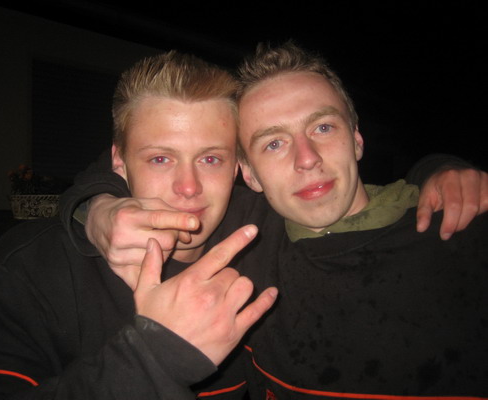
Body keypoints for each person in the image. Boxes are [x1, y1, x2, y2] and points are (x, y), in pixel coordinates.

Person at [68, 42, 488, 399]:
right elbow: (137, 150)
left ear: (357, 138)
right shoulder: (246, 243)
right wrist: (97, 204)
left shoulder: (462, 229)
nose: (307, 159)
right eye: (273, 143)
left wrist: (441, 166)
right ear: (248, 174)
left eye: (323, 127)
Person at [0, 51, 277, 399]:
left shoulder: (267, 238)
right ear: (118, 162)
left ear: (235, 167)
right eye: (160, 159)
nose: (188, 187)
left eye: (210, 159)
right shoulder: (25, 269)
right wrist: (154, 358)